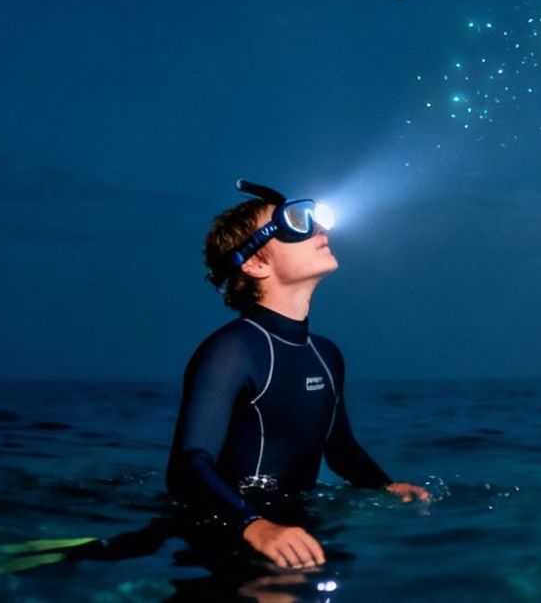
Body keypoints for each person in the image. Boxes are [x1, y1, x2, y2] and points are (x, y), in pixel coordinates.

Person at [164, 180, 429, 570]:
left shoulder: (326, 354)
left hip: (296, 527)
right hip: (228, 533)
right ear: (256, 263)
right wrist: (254, 526)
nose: (319, 231)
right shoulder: (233, 349)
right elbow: (188, 465)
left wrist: (385, 487)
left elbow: (342, 449)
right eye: (294, 224)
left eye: (315, 222)